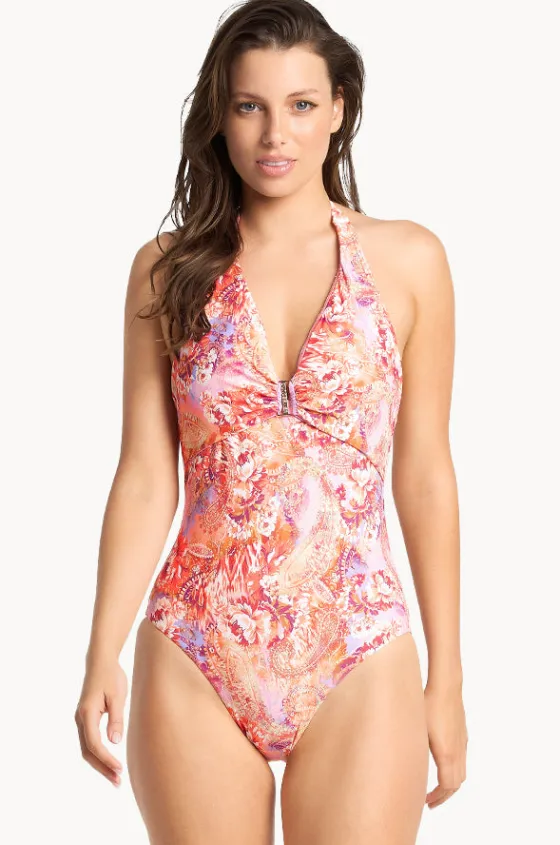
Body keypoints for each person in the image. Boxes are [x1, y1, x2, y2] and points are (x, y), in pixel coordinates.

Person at [75, 0, 468, 841]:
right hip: (196, 645)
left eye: (300, 104)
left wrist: (449, 678)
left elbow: (426, 474)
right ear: (221, 116)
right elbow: (144, 474)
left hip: (358, 645)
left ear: (339, 110)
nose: (274, 134)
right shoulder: (168, 271)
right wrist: (101, 648)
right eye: (249, 105)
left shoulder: (410, 261)